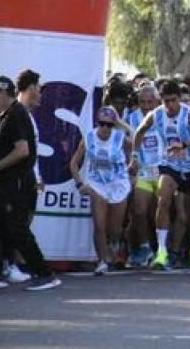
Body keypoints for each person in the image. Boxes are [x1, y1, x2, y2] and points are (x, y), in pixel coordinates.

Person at [0, 75, 60, 290]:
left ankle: (44, 273)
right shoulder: (4, 116)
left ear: (6, 93)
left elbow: (22, 150)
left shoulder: (16, 113)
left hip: (16, 181)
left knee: (17, 228)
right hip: (5, 182)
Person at [133, 80, 190, 270]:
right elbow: (139, 132)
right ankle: (162, 251)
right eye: (166, 101)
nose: (170, 105)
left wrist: (187, 146)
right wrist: (135, 156)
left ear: (179, 99)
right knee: (163, 200)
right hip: (169, 164)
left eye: (173, 100)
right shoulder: (156, 114)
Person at [70, 107, 133, 276]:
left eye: (109, 125)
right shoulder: (89, 138)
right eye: (101, 124)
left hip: (118, 183)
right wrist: (79, 184)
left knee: (114, 229)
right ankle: (101, 261)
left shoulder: (120, 137)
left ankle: (116, 246)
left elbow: (135, 148)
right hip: (97, 184)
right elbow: (74, 163)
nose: (105, 128)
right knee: (99, 225)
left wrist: (131, 166)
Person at [126, 85, 161, 267]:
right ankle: (145, 247)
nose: (146, 106)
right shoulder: (131, 118)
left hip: (162, 170)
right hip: (142, 171)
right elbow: (124, 143)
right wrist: (132, 160)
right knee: (139, 211)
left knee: (157, 213)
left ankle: (161, 248)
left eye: (150, 102)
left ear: (157, 101)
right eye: (143, 102)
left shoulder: (163, 116)